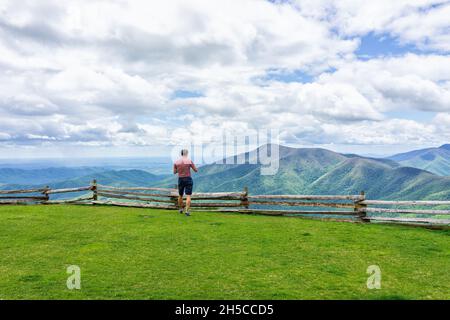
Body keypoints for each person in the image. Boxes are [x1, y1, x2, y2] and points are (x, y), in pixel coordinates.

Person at [173, 149, 198, 216]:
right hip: (188, 179)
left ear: (181, 154)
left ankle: (181, 209)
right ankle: (187, 211)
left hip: (180, 179)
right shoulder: (189, 161)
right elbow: (196, 170)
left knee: (180, 195)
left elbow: (174, 172)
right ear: (187, 154)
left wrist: (180, 169)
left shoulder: (176, 162)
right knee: (188, 196)